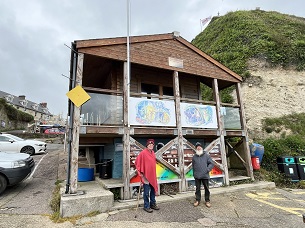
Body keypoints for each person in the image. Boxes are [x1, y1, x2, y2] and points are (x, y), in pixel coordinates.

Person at [135, 139, 160, 213]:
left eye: (152, 145)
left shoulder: (153, 153)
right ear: (147, 145)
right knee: (146, 192)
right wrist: (140, 172)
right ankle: (146, 206)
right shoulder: (143, 153)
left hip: (152, 175)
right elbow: (137, 162)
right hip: (145, 176)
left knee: (152, 191)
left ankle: (152, 203)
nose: (151, 146)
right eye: (149, 145)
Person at [192, 142, 214, 208]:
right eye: (197, 147)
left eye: (199, 146)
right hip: (197, 175)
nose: (198, 148)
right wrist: (194, 173)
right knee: (197, 189)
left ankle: (207, 201)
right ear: (196, 148)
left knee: (206, 188)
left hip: (205, 175)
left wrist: (207, 170)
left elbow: (211, 164)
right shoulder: (194, 157)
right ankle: (197, 200)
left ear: (202, 148)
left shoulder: (206, 155)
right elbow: (193, 165)